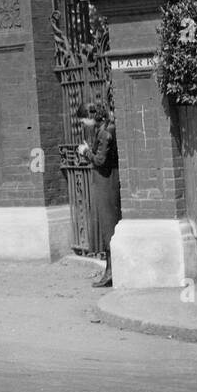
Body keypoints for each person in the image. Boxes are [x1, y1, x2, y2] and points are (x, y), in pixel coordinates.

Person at [78, 99, 120, 288]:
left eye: (83, 120)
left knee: (108, 225)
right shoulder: (105, 128)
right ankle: (110, 270)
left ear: (90, 116)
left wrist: (86, 152)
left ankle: (111, 272)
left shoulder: (105, 132)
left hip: (106, 182)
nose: (82, 124)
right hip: (107, 181)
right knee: (107, 225)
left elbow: (100, 160)